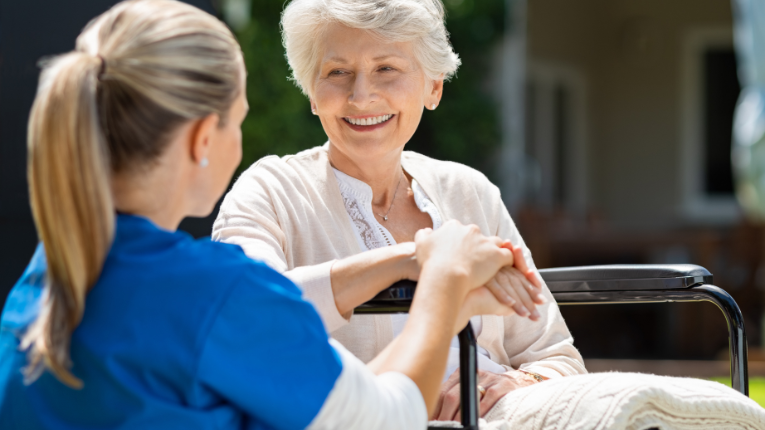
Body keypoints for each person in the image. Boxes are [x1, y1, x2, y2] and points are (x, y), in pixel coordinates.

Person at [0, 1, 519, 428]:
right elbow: (386, 419)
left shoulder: (46, 277)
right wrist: (444, 282)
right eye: (240, 121)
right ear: (205, 138)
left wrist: (403, 260)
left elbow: (342, 410)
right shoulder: (216, 294)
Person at [212, 0, 586, 420]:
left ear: (434, 87)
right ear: (312, 92)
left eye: (386, 68)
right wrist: (415, 260)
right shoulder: (269, 192)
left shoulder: (470, 191)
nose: (360, 95)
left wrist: (517, 383)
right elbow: (245, 316)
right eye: (337, 72)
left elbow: (556, 356)